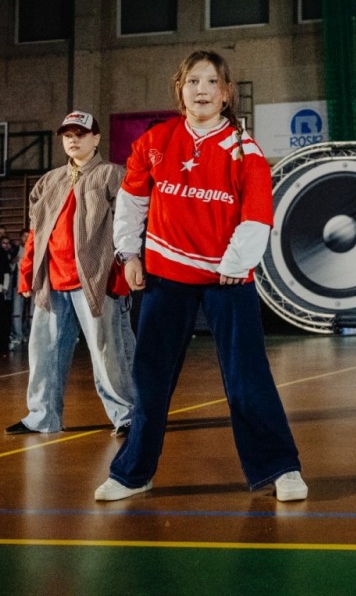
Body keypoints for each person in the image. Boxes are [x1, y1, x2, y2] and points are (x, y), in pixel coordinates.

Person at [95, 50, 306, 502]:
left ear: (227, 94)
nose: (202, 90)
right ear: (180, 90)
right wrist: (128, 254)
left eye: (212, 82)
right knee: (150, 380)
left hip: (226, 280)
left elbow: (257, 216)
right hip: (165, 278)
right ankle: (133, 473)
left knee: (248, 378)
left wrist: (234, 263)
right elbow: (132, 202)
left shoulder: (245, 151)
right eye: (193, 81)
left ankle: (280, 468)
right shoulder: (155, 141)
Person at [5, 112, 137, 436]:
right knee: (44, 352)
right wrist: (27, 273)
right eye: (68, 135)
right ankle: (42, 416)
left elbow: (130, 226)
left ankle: (127, 416)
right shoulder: (49, 181)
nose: (73, 140)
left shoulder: (113, 175)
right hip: (52, 283)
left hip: (96, 281)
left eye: (81, 134)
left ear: (96, 138)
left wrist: (124, 269)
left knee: (108, 352)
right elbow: (36, 232)